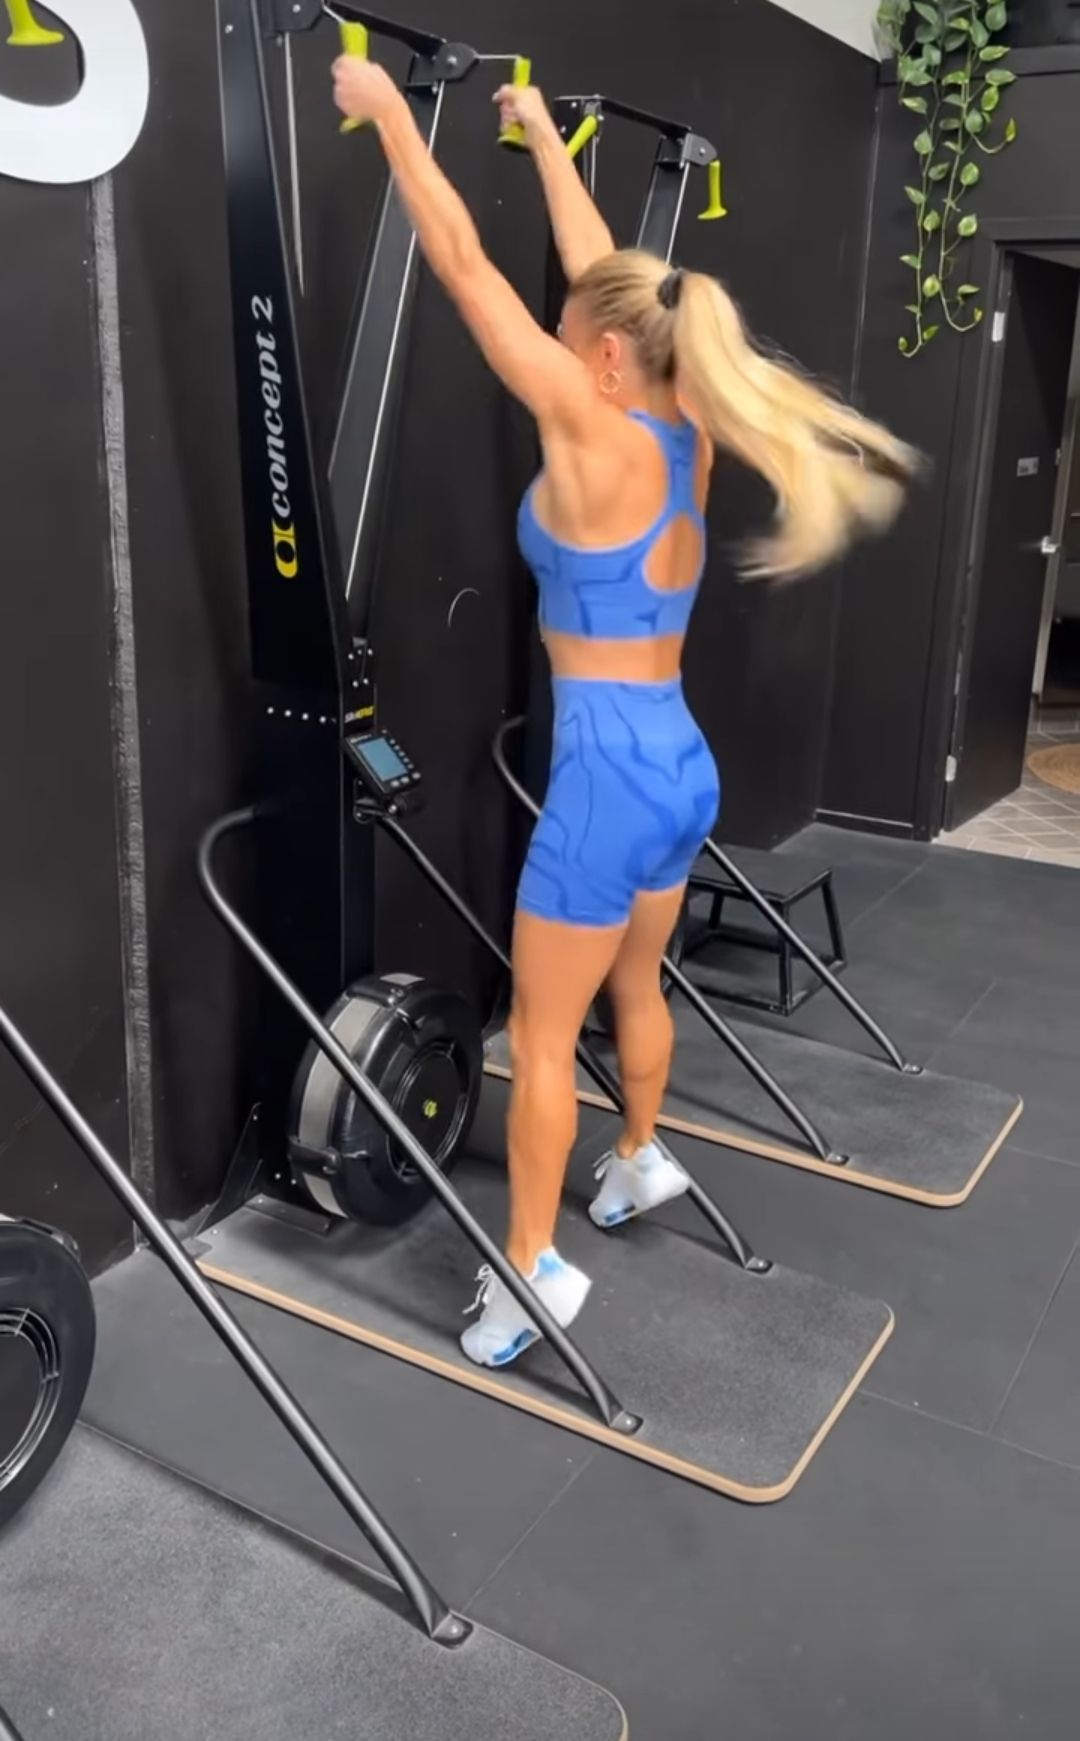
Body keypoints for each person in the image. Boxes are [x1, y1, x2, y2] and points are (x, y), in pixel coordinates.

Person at [332, 60, 916, 1369]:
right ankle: (642, 1155)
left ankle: (529, 1274)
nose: (558, 331)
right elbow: (610, 276)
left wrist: (393, 119)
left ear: (601, 361)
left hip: (602, 777)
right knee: (639, 982)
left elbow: (462, 263)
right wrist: (545, 137)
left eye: (570, 331)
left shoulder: (584, 431)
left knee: (540, 1040)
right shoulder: (684, 423)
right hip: (679, 762)